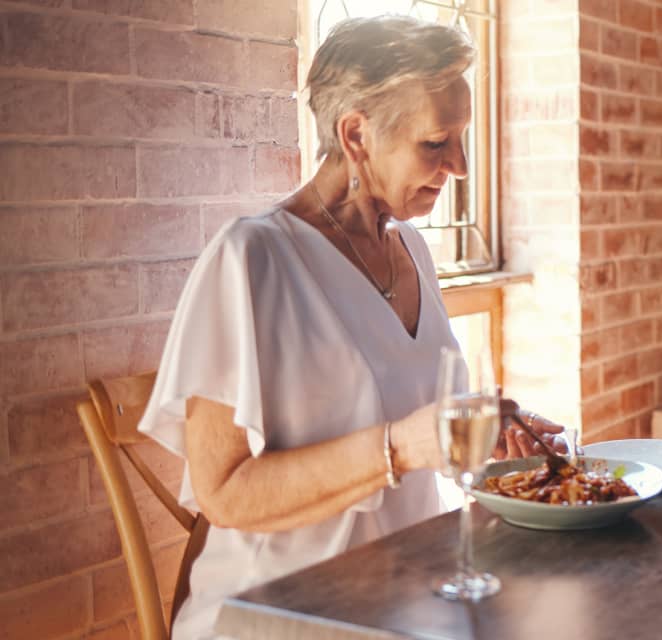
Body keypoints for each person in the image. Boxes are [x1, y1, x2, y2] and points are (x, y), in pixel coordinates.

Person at [137, 17, 562, 638]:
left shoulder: (413, 249)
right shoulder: (252, 258)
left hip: (409, 592)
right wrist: (402, 446)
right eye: (436, 142)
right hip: (281, 610)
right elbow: (224, 493)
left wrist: (477, 435)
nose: (462, 165)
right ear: (356, 134)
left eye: (461, 137)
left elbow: (410, 418)